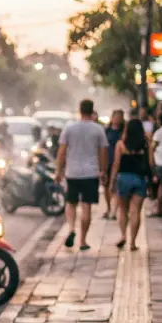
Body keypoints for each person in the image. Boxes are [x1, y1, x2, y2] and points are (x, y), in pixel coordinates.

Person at [55, 99, 108, 251]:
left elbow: (62, 151)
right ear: (92, 111)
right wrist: (103, 170)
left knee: (71, 203)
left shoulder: (69, 127)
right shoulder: (98, 129)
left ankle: (71, 228)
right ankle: (83, 241)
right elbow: (103, 152)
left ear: (80, 110)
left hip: (72, 172)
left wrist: (59, 171)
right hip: (91, 173)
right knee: (86, 207)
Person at [109, 118, 152, 252]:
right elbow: (150, 163)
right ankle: (133, 242)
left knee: (123, 210)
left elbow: (116, 164)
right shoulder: (145, 144)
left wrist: (112, 181)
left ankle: (123, 236)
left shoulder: (121, 144)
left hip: (124, 179)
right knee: (136, 211)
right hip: (139, 179)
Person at [103, 110, 125, 220]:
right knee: (106, 187)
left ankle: (114, 210)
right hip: (108, 161)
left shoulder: (124, 132)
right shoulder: (106, 131)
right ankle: (108, 207)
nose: (117, 119)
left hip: (120, 163)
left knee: (117, 187)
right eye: (115, 117)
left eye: (119, 117)